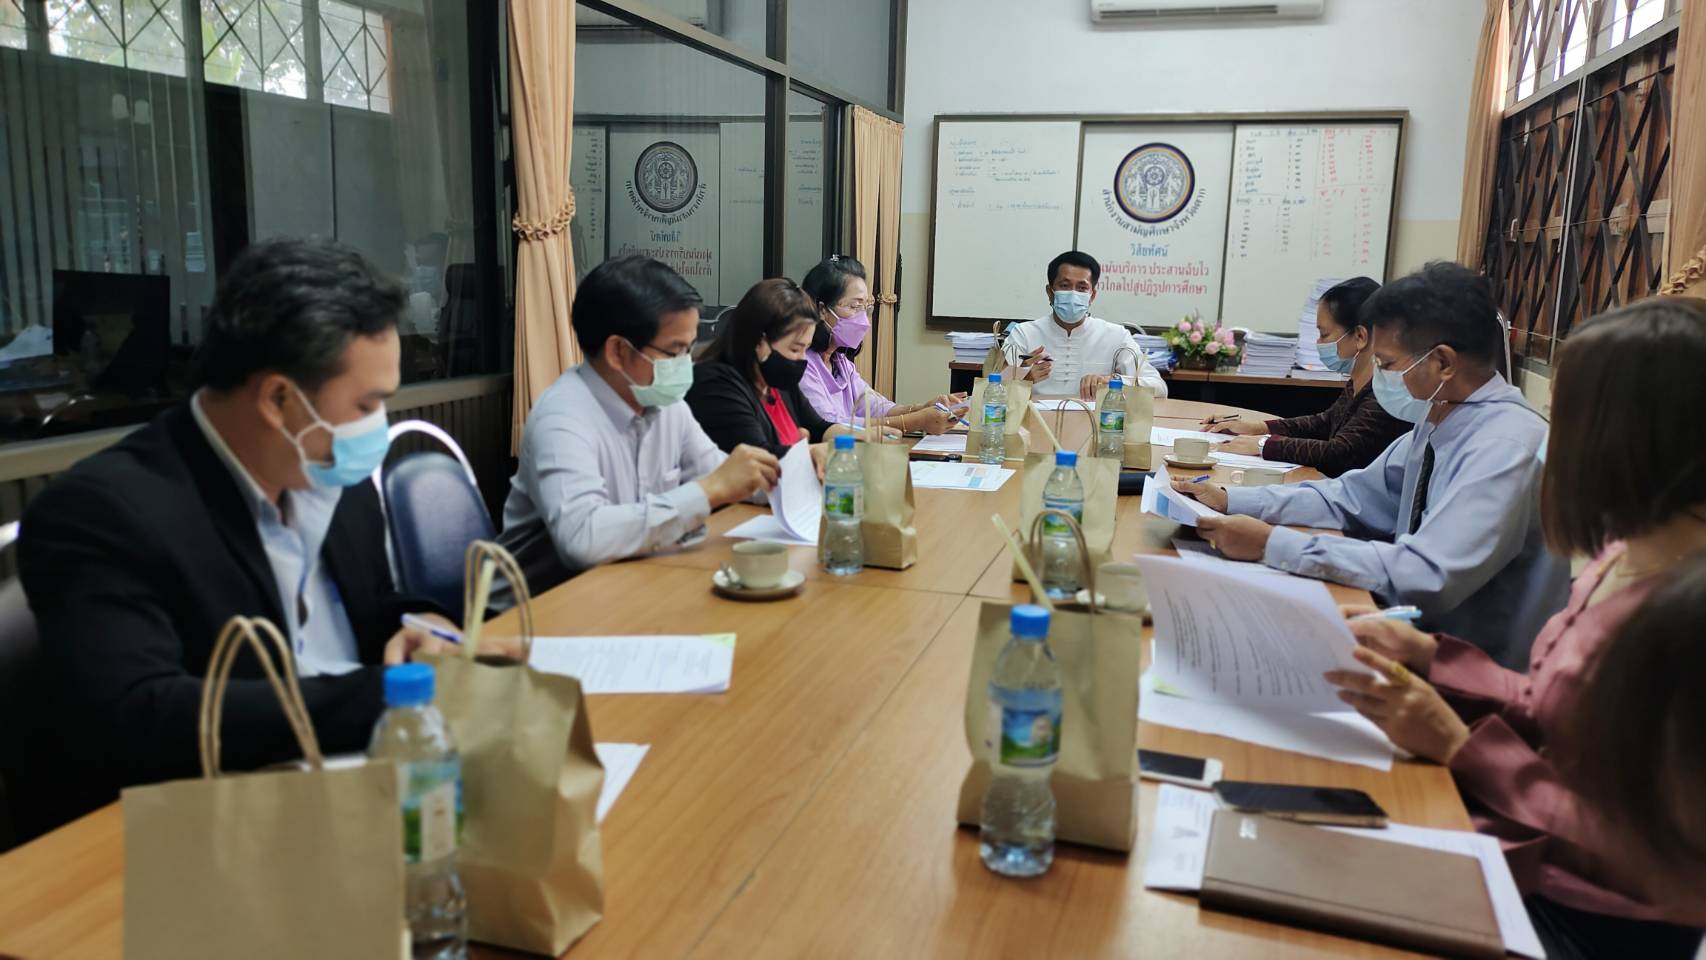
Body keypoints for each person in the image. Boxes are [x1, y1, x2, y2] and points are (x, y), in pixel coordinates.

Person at [16, 239, 462, 826]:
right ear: (279, 399)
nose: (378, 425)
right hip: (210, 829)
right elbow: (141, 716)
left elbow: (366, 605)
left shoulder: (334, 477)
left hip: (359, 794)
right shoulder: (104, 514)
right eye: (367, 404)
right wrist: (383, 696)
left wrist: (419, 627)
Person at [1321, 296, 1706, 959]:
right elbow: (1551, 704)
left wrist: (1460, 747)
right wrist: (1432, 657)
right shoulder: (1623, 553)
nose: (1552, 435)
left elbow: (1651, 847)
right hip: (1522, 850)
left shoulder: (1686, 610)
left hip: (1591, 919)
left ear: (1633, 437)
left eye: (1568, 415)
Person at [1179, 262, 1567, 667]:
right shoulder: (1442, 414)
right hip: (1408, 637)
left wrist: (1271, 544)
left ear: (1443, 363)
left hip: (1472, 675)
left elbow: (1426, 574)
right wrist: (1230, 500)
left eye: (1388, 364)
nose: (1380, 377)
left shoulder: (1505, 447)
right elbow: (1350, 497)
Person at [498, 257, 779, 596]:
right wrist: (710, 490)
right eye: (674, 352)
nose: (686, 364)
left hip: (632, 582)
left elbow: (726, 474)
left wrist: (799, 470)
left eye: (689, 349)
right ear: (618, 351)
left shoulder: (666, 404)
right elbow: (582, 538)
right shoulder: (561, 419)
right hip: (542, 605)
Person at [1204, 277, 1407, 477]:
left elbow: (1339, 452)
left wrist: (1263, 445)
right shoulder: (1358, 381)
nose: (1318, 343)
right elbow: (1325, 422)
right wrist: (1256, 428)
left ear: (1360, 336)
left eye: (1324, 334)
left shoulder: (1385, 393)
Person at [686, 278, 851, 464]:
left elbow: (819, 428)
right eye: (795, 349)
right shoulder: (715, 386)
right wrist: (810, 452)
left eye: (806, 348)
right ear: (760, 342)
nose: (802, 359)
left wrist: (862, 436)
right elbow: (757, 458)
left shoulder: (776, 380)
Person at [798, 255, 961, 434]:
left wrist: (922, 408)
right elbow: (830, 425)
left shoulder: (840, 362)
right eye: (854, 307)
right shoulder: (803, 363)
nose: (863, 318)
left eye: (865, 308)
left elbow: (877, 407)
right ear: (822, 310)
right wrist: (917, 421)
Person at [999, 250, 1168, 400]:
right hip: (1035, 421)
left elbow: (1159, 387)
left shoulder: (1116, 336)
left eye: (1082, 288)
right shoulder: (1024, 333)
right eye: (1065, 286)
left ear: (1092, 296)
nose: (1073, 293)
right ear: (1050, 292)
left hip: (1094, 421)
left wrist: (1113, 381)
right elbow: (993, 387)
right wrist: (1023, 379)